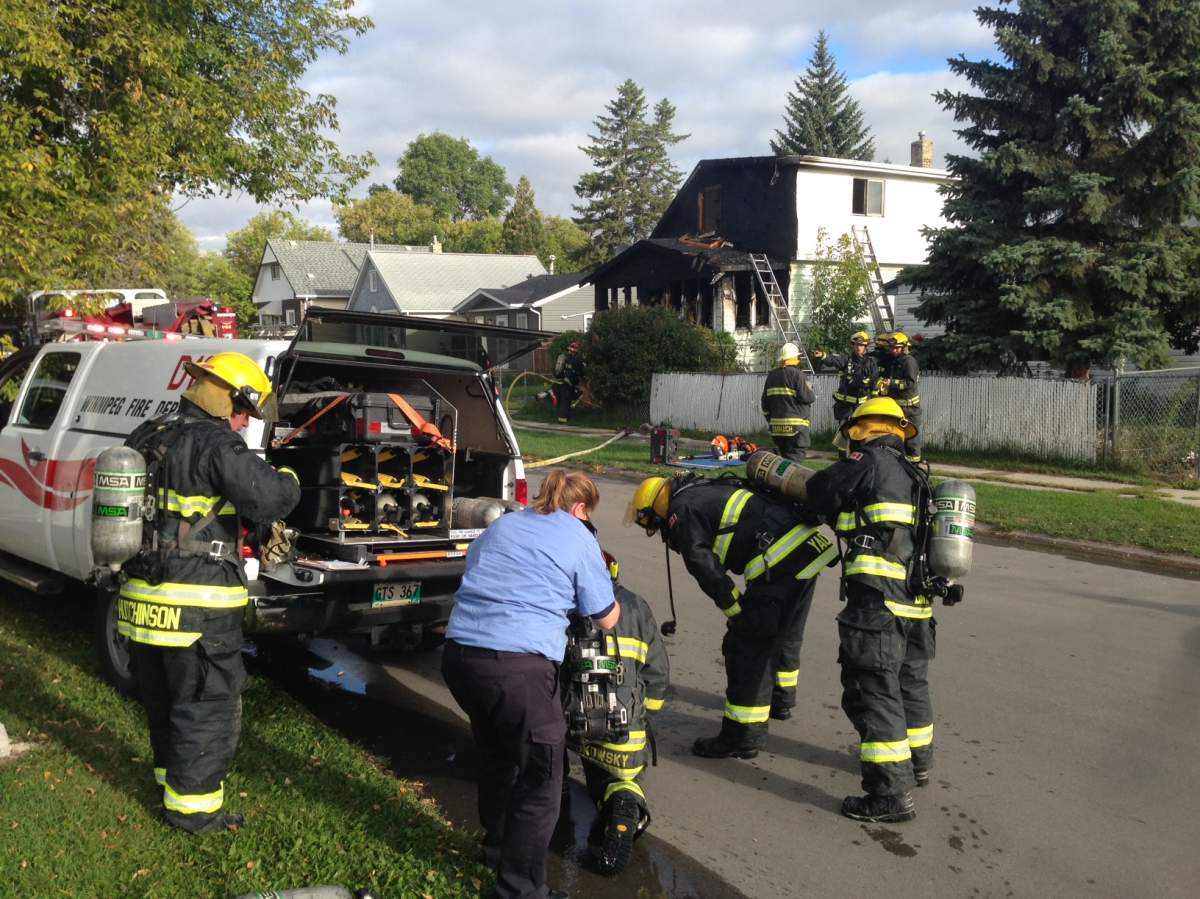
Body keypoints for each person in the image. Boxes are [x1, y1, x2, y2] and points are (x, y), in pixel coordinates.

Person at [119, 352, 300, 834]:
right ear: (228, 399)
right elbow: (268, 499)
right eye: (244, 410)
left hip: (141, 601)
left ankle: (169, 783)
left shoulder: (149, 434)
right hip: (196, 607)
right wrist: (292, 477)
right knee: (204, 708)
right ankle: (195, 814)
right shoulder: (217, 444)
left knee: (164, 701)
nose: (244, 422)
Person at [442, 469, 619, 899]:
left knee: (500, 756)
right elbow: (607, 616)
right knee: (543, 776)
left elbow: (480, 568)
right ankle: (519, 890)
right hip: (516, 669)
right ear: (581, 508)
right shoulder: (579, 536)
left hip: (461, 657)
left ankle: (498, 847)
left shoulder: (505, 522)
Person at [626, 474, 837, 758]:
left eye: (652, 522)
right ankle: (780, 699)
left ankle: (742, 736)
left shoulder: (682, 510)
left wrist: (734, 608)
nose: (657, 529)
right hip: (806, 552)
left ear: (656, 507)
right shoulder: (705, 488)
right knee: (784, 634)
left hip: (777, 562)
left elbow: (703, 564)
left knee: (746, 647)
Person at [803, 397, 934, 824]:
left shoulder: (869, 459)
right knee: (910, 683)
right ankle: (917, 764)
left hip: (878, 599)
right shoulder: (915, 471)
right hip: (917, 602)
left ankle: (890, 796)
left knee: (873, 690)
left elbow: (821, 489)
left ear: (861, 428)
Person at [567, 549, 669, 876]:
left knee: (559, 767)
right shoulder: (637, 608)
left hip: (573, 721)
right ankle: (625, 803)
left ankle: (555, 796)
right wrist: (644, 714)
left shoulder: (565, 607)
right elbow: (657, 674)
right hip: (625, 723)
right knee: (620, 777)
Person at [760, 342, 815, 463]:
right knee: (794, 462)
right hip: (796, 428)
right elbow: (808, 398)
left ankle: (777, 481)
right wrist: (810, 389)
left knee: (782, 460)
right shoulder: (798, 375)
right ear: (794, 358)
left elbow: (764, 403)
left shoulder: (771, 376)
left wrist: (771, 419)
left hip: (776, 428)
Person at [812, 330, 878, 426]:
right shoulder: (847, 359)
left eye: (861, 345)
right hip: (845, 407)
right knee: (845, 432)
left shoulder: (871, 363)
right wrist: (823, 356)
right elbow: (833, 360)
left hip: (862, 406)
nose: (858, 347)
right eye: (856, 345)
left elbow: (874, 383)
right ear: (853, 345)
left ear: (865, 346)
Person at [879, 332, 922, 461]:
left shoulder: (909, 361)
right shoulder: (894, 361)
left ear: (904, 347)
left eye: (896, 348)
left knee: (911, 441)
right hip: (896, 409)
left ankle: (915, 467)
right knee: (896, 437)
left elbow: (909, 383)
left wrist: (891, 383)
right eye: (892, 348)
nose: (894, 350)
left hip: (910, 410)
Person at [552, 340, 586, 424]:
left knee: (564, 400)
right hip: (568, 383)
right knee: (565, 401)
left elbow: (559, 370)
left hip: (561, 382)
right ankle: (563, 420)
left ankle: (564, 417)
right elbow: (580, 372)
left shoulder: (565, 357)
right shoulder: (577, 359)